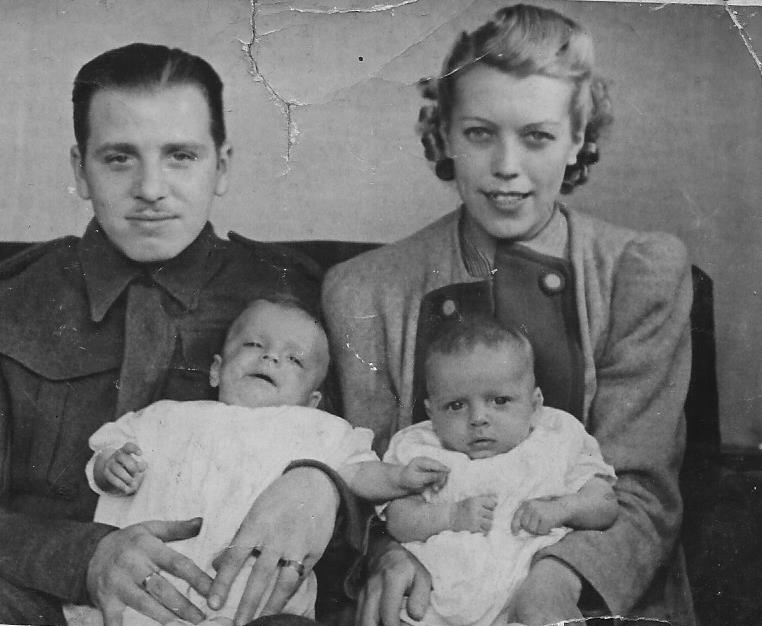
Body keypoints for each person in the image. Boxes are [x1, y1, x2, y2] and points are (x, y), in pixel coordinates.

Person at [0, 43, 346, 626]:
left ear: (223, 165)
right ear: (80, 170)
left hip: (228, 600)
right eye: (119, 158)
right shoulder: (7, 303)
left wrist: (324, 483)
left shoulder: (294, 302)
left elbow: (376, 454)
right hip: (41, 597)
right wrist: (81, 556)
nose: (151, 188)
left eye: (181, 156)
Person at [322, 5, 696, 625]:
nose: (506, 167)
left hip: (597, 580)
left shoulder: (639, 270)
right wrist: (392, 557)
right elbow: (373, 484)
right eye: (479, 133)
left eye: (538, 136)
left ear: (579, 140)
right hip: (436, 581)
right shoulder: (364, 290)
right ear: (443, 135)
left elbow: (640, 491)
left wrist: (557, 580)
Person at [65, 296, 450, 626]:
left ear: (312, 399)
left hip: (255, 607)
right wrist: (110, 465)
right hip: (143, 592)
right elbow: (111, 445)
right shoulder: (165, 416)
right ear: (216, 370)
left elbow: (360, 473)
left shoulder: (319, 428)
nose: (271, 357)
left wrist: (401, 476)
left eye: (295, 359)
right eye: (253, 344)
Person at [380, 313, 618, 626]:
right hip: (439, 604)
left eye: (500, 400)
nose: (478, 418)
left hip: (526, 600)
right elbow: (398, 520)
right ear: (431, 412)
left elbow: (605, 504)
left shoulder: (557, 435)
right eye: (456, 405)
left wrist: (562, 508)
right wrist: (449, 517)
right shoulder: (421, 447)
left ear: (535, 405)